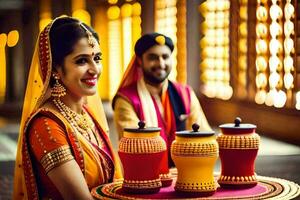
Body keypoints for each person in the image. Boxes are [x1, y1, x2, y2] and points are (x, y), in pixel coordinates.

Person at [13, 16, 122, 200]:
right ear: (55, 68)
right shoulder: (46, 126)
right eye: (81, 61)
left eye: (97, 58)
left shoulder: (87, 115)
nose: (94, 69)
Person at [112, 32, 211, 168]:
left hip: (184, 172)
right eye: (153, 58)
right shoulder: (126, 99)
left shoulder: (185, 93)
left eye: (165, 57)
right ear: (140, 61)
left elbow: (204, 136)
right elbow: (136, 145)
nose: (161, 63)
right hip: (146, 175)